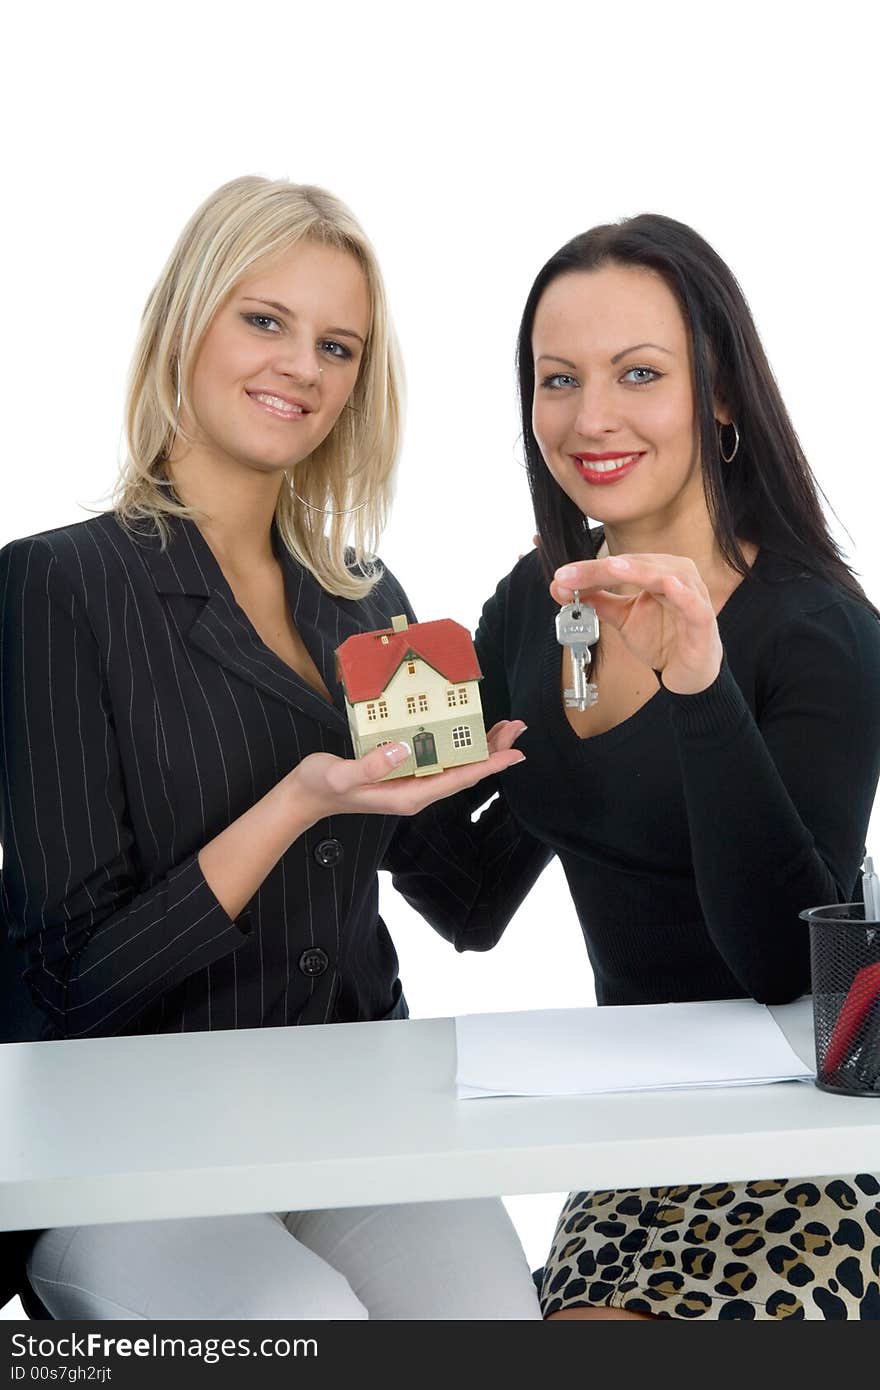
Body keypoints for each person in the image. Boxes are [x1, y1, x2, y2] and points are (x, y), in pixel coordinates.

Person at [0, 175, 540, 1320]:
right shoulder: (57, 585)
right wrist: (296, 800)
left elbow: (463, 901)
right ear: (187, 321)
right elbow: (67, 984)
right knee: (313, 1336)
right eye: (265, 319)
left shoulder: (364, 599)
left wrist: (581, 723)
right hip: (125, 1150)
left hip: (349, 1116)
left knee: (493, 1323)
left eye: (336, 344)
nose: (303, 365)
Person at [387, 214, 880, 1320]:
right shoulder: (536, 604)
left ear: (718, 397)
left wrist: (698, 687)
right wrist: (368, 780)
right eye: (556, 378)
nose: (588, 417)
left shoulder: (821, 633)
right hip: (630, 1146)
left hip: (811, 1154)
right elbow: (470, 904)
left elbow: (782, 969)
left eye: (637, 374)